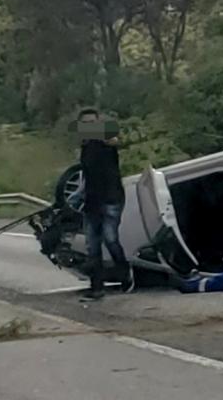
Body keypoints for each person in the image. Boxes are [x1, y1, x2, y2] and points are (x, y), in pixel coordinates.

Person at [76, 107, 134, 301]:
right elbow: (87, 175)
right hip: (92, 200)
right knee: (92, 245)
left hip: (111, 197)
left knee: (110, 238)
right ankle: (96, 287)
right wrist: (78, 196)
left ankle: (125, 274)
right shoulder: (85, 148)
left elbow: (115, 138)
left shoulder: (106, 141)